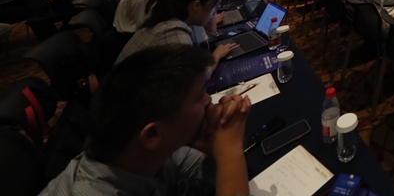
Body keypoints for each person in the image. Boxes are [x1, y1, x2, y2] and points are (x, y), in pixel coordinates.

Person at [41, 45, 251, 196]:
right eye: (199, 97)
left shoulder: (141, 148)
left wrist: (217, 143)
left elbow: (202, 177)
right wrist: (229, 151)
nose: (209, 101)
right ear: (152, 134)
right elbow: (224, 160)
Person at [117, 0, 238, 67]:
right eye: (213, 7)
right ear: (196, 5)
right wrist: (216, 55)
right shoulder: (174, 32)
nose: (213, 14)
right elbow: (193, 78)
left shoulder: (166, 16)